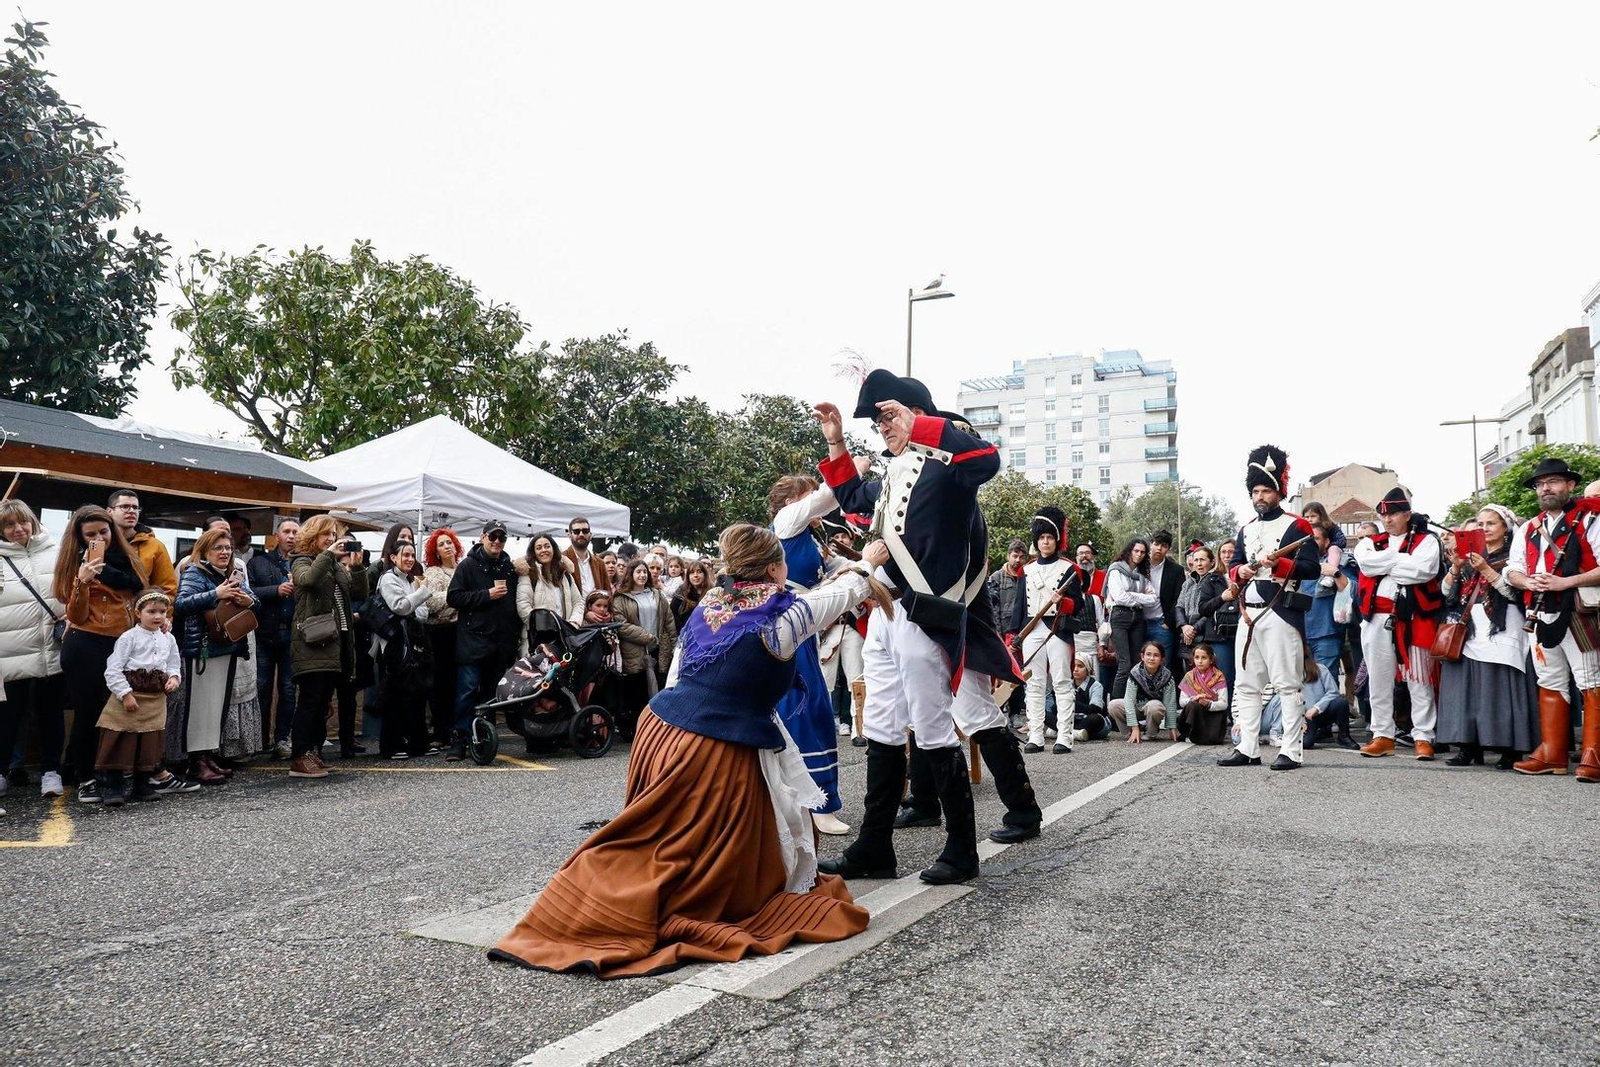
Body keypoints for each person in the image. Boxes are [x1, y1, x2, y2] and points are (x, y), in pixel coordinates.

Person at [490, 524, 872, 978]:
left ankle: (603, 895)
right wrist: (869, 561)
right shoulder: (783, 618)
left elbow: (679, 674)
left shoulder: (711, 602)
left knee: (661, 838)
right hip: (711, 741)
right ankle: (612, 905)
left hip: (665, 728)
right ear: (775, 568)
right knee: (688, 853)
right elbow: (844, 593)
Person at [813, 370, 1037, 886]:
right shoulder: (894, 471)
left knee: (940, 725)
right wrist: (837, 442)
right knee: (883, 726)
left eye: (888, 415)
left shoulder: (949, 462)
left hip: (929, 613)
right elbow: (853, 498)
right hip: (888, 612)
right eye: (877, 421)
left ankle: (961, 850)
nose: (882, 428)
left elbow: (988, 459)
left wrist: (924, 424)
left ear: (917, 412)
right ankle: (874, 847)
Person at [1218, 444, 1322, 771]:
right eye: (1255, 491)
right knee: (1247, 685)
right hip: (1248, 613)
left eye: (1265, 490)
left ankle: (1291, 750)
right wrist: (1241, 571)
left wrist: (1277, 565)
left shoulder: (1297, 527)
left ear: (1278, 492)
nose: (1259, 496)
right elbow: (1233, 566)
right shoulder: (1246, 529)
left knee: (1286, 684)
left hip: (1280, 611)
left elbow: (1311, 568)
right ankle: (1247, 747)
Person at [1500, 457, 1600, 781]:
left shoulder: (1590, 519)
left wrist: (1565, 582)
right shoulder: (1528, 527)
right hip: (1540, 612)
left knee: (1591, 681)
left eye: (1554, 482)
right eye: (1541, 484)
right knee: (1550, 681)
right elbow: (1512, 569)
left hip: (1579, 610)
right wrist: (1526, 581)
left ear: (1570, 485)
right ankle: (1553, 752)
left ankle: (1593, 755)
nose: (1546, 488)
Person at [768, 474, 853, 836]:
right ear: (792, 503)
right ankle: (814, 802)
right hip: (787, 622)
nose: (814, 499)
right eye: (807, 494)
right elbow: (828, 497)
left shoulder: (810, 538)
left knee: (813, 706)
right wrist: (848, 469)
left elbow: (838, 571)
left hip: (805, 627)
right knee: (801, 708)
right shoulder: (786, 522)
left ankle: (815, 799)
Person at [55, 506, 148, 802]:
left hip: (121, 643)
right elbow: (77, 615)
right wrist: (82, 581)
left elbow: (139, 593)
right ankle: (85, 778)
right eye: (91, 534)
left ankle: (110, 774)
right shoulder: (74, 564)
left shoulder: (128, 560)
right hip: (86, 643)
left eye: (104, 532)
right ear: (80, 538)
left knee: (118, 713)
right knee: (88, 715)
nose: (100, 538)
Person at [1437, 505, 1535, 769]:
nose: (1484, 529)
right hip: (1470, 627)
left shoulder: (1513, 556)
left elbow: (1515, 594)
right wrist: (1456, 567)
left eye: (1490, 523)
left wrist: (1486, 570)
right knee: (1466, 689)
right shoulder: (1471, 557)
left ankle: (1509, 750)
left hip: (1502, 626)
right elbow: (1447, 595)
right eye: (1480, 524)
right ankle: (1468, 747)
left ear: (1505, 527)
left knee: (1500, 689)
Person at [1354, 487, 1445, 761]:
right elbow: (1367, 566)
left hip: (1415, 618)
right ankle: (1383, 734)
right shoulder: (1369, 542)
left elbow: (1424, 570)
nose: (1387, 519)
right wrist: (1401, 560)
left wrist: (1387, 564)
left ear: (1407, 514)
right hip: (1376, 619)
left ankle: (1423, 736)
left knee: (1419, 679)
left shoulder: (1428, 541)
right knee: (1379, 680)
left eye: (1393, 513)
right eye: (1383, 514)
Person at [172, 530, 260, 785]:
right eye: (218, 548)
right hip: (203, 649)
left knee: (216, 708)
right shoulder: (194, 572)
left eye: (227, 548)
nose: (224, 552)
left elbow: (256, 603)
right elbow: (181, 604)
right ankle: (196, 762)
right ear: (205, 550)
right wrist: (215, 594)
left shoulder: (232, 574)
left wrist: (248, 599)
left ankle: (208, 756)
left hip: (227, 647)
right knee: (200, 708)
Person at [288, 515, 368, 779]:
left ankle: (314, 753)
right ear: (313, 536)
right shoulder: (302, 560)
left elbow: (358, 594)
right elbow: (308, 580)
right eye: (326, 535)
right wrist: (328, 556)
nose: (331, 540)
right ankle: (300, 756)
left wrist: (357, 568)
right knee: (310, 701)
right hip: (312, 643)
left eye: (334, 535)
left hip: (336, 642)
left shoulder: (333, 565)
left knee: (322, 702)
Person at [0, 500, 67, 799]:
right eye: (9, 525)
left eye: (23, 522)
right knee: (7, 717)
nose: (18, 529)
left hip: (51, 648)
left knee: (50, 713)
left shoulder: (56, 552)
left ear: (33, 521)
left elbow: (70, 593)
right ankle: (1, 771)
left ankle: (51, 771)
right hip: (9, 652)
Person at [93, 589, 183, 807]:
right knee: (121, 740)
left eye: (162, 611)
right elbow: (113, 669)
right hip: (130, 697)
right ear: (137, 612)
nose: (157, 616)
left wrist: (173, 677)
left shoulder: (168, 638)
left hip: (154, 699)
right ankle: (114, 787)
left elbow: (173, 663)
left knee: (149, 743)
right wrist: (125, 694)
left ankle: (141, 785)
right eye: (151, 611)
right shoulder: (128, 638)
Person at [1010, 507, 1083, 754]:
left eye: (1050, 537)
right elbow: (1019, 605)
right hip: (1031, 631)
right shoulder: (1027, 569)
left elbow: (1078, 605)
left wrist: (1061, 602)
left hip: (1057, 630)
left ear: (1056, 540)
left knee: (1062, 682)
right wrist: (1014, 635)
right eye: (1041, 537)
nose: (1045, 541)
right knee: (1035, 684)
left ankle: (1064, 736)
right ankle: (1036, 735)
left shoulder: (1069, 568)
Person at [446, 520, 521, 762]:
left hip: (499, 644)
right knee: (466, 692)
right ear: (482, 537)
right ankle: (458, 740)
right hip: (473, 642)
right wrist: (485, 595)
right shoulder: (467, 565)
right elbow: (453, 597)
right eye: (493, 536)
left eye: (502, 538)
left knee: (491, 694)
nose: (497, 541)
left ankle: (485, 739)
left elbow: (513, 607)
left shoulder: (508, 568)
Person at [371, 540, 433, 760]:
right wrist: (420, 595)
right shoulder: (388, 578)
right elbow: (399, 606)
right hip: (393, 644)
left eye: (412, 555)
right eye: (404, 555)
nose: (409, 559)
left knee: (415, 692)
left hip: (412, 642)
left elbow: (422, 613)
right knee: (395, 694)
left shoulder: (410, 580)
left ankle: (417, 743)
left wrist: (414, 601)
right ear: (394, 557)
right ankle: (391, 746)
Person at [249, 518, 299, 759]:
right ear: (276, 536)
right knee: (261, 688)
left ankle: (282, 739)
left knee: (289, 690)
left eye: (295, 532)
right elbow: (248, 592)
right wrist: (275, 591)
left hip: (293, 634)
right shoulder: (259, 562)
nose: (291, 536)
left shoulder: (304, 563)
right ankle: (259, 740)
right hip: (265, 633)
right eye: (286, 532)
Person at [611, 559, 677, 737]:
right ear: (630, 574)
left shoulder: (657, 594)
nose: (642, 575)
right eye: (638, 572)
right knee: (636, 689)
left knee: (657, 688)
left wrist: (674, 642)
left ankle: (653, 730)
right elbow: (621, 625)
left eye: (644, 572)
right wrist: (646, 637)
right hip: (634, 649)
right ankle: (631, 729)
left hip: (657, 648)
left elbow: (669, 621)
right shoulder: (621, 597)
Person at [421, 528, 463, 750]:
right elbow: (429, 603)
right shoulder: (433, 573)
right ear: (435, 551)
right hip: (440, 632)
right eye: (441, 544)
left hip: (462, 631)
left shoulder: (463, 569)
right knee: (441, 683)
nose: (447, 546)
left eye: (449, 542)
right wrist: (458, 598)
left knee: (460, 682)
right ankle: (440, 730)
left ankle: (457, 729)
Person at [1105, 538, 1156, 703]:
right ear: (1129, 551)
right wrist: (1140, 598)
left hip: (1138, 619)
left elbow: (1153, 599)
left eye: (1142, 552)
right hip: (1120, 617)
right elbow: (1118, 597)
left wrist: (1132, 595)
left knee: (1136, 664)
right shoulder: (1116, 570)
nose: (1139, 555)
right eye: (1136, 551)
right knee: (1124, 664)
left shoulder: (1142, 576)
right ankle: (1116, 707)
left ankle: (1133, 705)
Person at [516, 533, 582, 654]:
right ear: (533, 552)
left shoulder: (565, 574)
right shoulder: (529, 575)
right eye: (539, 547)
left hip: (565, 639)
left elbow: (578, 602)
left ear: (553, 548)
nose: (544, 550)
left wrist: (574, 623)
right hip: (537, 642)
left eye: (547, 546)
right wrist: (544, 626)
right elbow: (523, 605)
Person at [106, 489, 178, 598]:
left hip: (139, 612)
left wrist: (159, 614)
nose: (131, 511)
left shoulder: (155, 546)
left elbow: (167, 589)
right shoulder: (101, 543)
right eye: (125, 506)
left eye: (135, 507)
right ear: (109, 511)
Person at [1175, 543, 1227, 674]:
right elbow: (1179, 606)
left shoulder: (1215, 581)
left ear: (1212, 561)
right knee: (1189, 676)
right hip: (1186, 635)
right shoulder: (1188, 582)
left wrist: (1195, 628)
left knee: (1207, 676)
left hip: (1205, 635)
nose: (1199, 564)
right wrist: (1184, 626)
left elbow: (1213, 609)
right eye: (1196, 560)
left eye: (1202, 560)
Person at [1298, 656, 1358, 750]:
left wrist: (1317, 707)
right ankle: (1315, 734)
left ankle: (1343, 736)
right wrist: (1301, 721)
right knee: (1306, 743)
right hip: (1303, 718)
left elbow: (1333, 692)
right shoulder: (1286, 675)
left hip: (1321, 711)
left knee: (1341, 702)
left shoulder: (1320, 668)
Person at [1178, 642, 1230, 744]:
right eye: (1197, 657)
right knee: (1193, 705)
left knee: (1212, 739)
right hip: (1195, 712)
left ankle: (1209, 735)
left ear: (1211, 660)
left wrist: (1209, 704)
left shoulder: (1219, 676)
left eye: (1204, 658)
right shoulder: (1189, 676)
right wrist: (1195, 698)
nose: (1200, 661)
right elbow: (1182, 701)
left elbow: (1224, 704)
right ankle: (1189, 733)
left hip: (1212, 713)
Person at [1145, 530, 1183, 667]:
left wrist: (1168, 623)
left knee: (1163, 667)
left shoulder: (1176, 570)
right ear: (1150, 544)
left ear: (1168, 549)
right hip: (1138, 624)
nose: (1159, 548)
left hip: (1162, 624)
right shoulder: (1139, 566)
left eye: (1164, 546)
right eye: (1156, 544)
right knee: (1139, 666)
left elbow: (1178, 598)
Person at [562, 517, 609, 596]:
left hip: (596, 607)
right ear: (569, 535)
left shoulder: (600, 563)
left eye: (585, 531)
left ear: (590, 535)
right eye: (576, 531)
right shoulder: (562, 559)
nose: (581, 534)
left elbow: (607, 592)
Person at [1069, 653, 1110, 742]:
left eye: (1080, 666)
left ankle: (1062, 732)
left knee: (1095, 718)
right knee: (1046, 714)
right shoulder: (1067, 684)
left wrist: (1071, 704)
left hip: (1090, 721)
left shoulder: (1095, 685)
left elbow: (1095, 709)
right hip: (1072, 719)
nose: (1075, 669)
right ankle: (1076, 733)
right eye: (1073, 666)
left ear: (1087, 669)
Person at [670, 559, 713, 633]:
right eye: (692, 573)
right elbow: (673, 615)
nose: (695, 575)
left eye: (699, 572)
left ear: (705, 574)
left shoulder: (712, 592)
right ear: (688, 576)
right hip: (684, 634)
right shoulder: (681, 592)